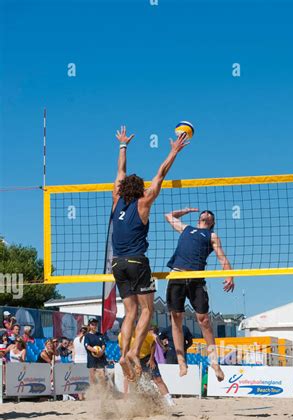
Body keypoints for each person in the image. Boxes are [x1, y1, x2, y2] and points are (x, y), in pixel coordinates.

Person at [110, 125, 189, 380]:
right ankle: (134, 352)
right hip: (137, 261)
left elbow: (120, 170)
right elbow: (161, 173)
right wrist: (174, 151)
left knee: (129, 311)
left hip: (117, 264)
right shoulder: (144, 202)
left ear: (122, 190)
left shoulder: (116, 199)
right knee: (147, 310)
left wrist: (123, 145)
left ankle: (123, 354)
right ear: (140, 190)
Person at [164, 208, 234, 380]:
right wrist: (187, 210)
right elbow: (169, 216)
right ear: (199, 219)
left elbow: (222, 258)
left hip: (196, 278)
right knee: (176, 317)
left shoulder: (211, 236)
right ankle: (182, 362)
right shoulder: (186, 229)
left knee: (204, 320)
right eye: (204, 213)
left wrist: (229, 275)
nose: (207, 214)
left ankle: (214, 362)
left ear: (212, 222)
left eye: (210, 215)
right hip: (178, 275)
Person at [118, 328, 174, 407]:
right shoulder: (121, 336)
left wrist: (151, 359)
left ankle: (169, 400)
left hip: (146, 357)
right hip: (132, 359)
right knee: (131, 380)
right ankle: (130, 400)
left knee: (157, 379)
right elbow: (122, 350)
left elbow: (153, 344)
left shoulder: (141, 333)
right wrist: (129, 364)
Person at [83, 318, 107, 385]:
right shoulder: (87, 336)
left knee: (102, 374)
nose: (94, 326)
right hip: (92, 357)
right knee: (92, 375)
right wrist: (95, 351)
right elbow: (87, 346)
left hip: (101, 357)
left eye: (95, 324)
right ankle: (93, 390)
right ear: (89, 326)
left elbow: (103, 345)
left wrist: (101, 352)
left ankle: (103, 390)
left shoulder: (100, 335)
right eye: (92, 324)